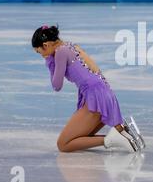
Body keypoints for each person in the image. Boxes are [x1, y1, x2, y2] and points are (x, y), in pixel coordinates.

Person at [31, 24, 145, 153]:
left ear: (46, 45)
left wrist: (50, 62)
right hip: (103, 92)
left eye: (40, 52)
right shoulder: (71, 46)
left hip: (94, 97)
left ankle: (116, 138)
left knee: (63, 144)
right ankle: (122, 133)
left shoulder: (60, 53)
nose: (42, 56)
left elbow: (57, 85)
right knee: (78, 138)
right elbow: (95, 68)